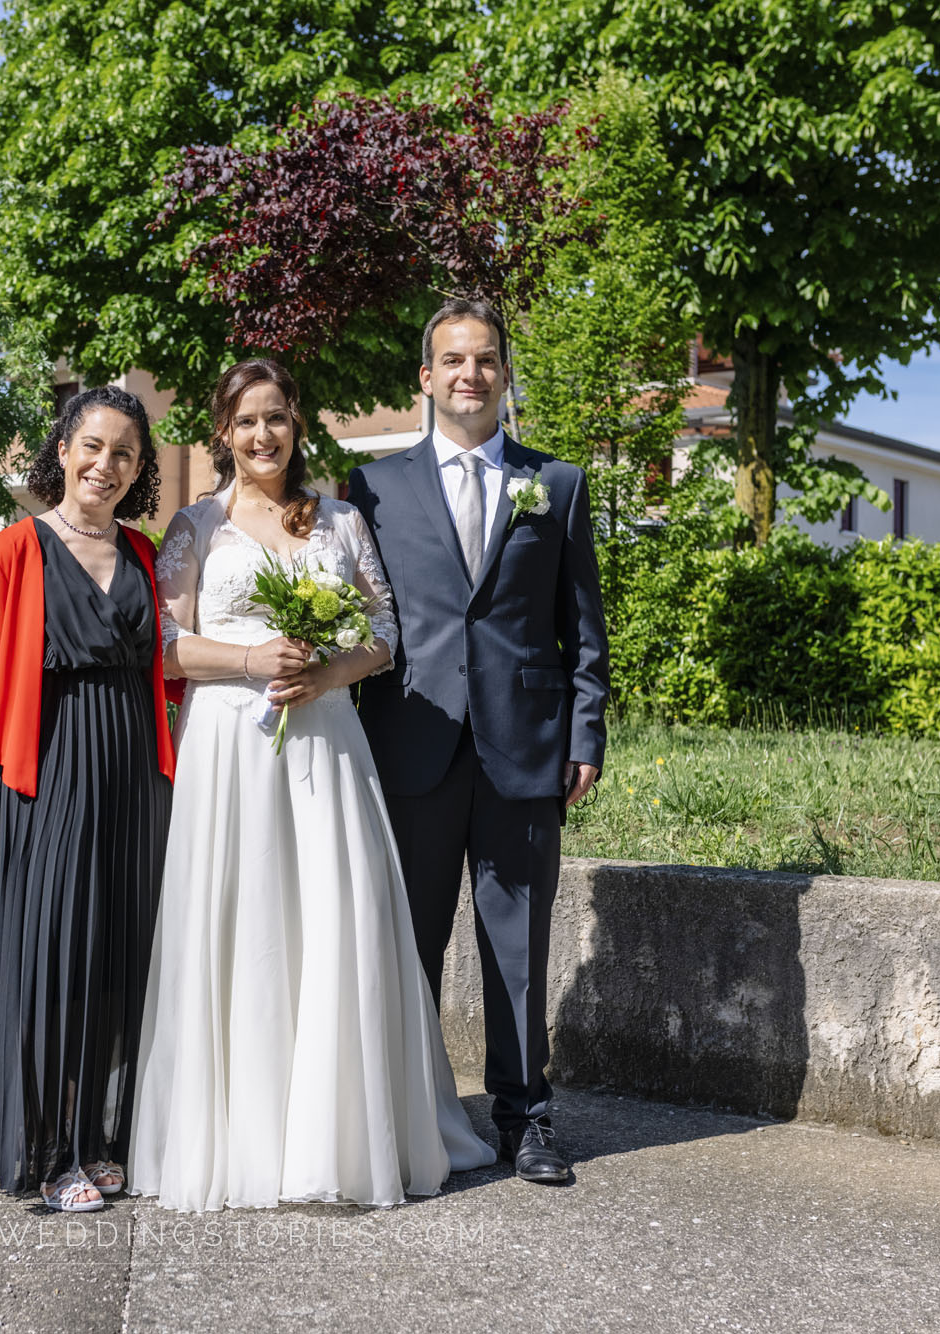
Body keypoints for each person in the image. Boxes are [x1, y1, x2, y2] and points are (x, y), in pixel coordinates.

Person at [127, 357, 496, 1212]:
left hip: (327, 743)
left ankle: (338, 1133)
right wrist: (252, 659)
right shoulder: (195, 527)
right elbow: (166, 644)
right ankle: (239, 1135)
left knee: (335, 918)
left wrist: (330, 673)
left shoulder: (337, 520)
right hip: (227, 747)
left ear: (298, 425)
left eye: (278, 418)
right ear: (223, 432)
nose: (264, 436)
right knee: (241, 923)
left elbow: (385, 630)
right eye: (247, 421)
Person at [347, 298, 610, 1186]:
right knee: (408, 941)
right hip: (411, 740)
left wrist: (586, 732)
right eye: (453, 361)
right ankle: (410, 1110)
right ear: (425, 378)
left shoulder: (559, 484)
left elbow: (583, 628)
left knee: (517, 948)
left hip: (524, 746)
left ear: (504, 374)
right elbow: (362, 614)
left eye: (486, 360)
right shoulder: (373, 487)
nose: (470, 374)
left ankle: (525, 1117)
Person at [0, 385, 176, 1212]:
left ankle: (100, 1140)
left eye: (124, 452)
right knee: (55, 958)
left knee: (119, 954)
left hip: (132, 773)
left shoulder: (145, 554)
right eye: (92, 446)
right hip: (49, 772)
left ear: (137, 468)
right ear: (63, 450)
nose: (105, 465)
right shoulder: (15, 549)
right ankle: (46, 1155)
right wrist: (14, 788)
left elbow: (165, 666)